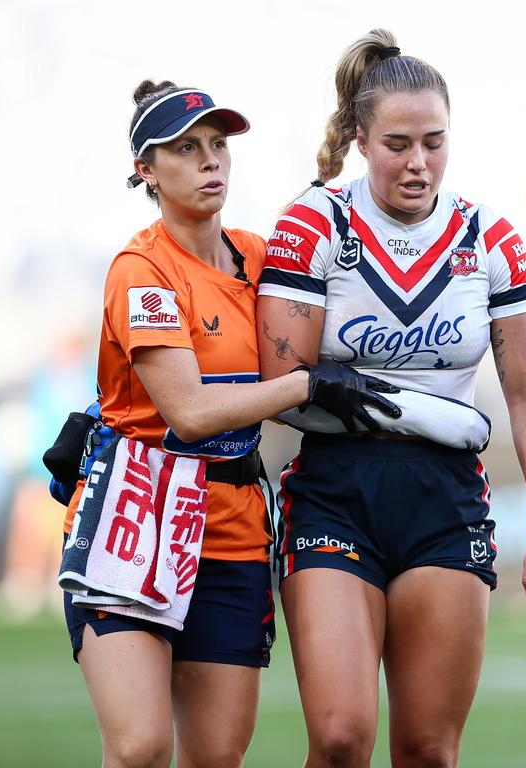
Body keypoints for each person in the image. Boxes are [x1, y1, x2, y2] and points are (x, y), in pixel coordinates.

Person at [256, 30, 526, 767]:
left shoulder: (490, 238)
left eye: (434, 142)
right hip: (336, 490)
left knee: (429, 751)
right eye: (398, 143)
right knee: (339, 738)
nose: (418, 162)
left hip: (446, 498)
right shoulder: (310, 226)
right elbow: (280, 384)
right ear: (360, 140)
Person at [61, 79, 396, 768]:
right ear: (145, 171)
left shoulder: (257, 255)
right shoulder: (141, 269)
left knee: (214, 758)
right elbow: (188, 413)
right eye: (186, 149)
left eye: (218, 145)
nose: (211, 160)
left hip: (233, 528)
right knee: (141, 747)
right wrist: (305, 385)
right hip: (137, 517)